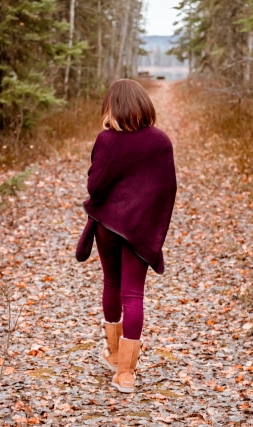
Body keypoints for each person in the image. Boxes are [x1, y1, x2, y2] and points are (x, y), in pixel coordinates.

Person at [76, 79, 177, 393]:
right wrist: (152, 224)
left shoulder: (108, 140)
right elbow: (167, 189)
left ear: (112, 107)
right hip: (140, 230)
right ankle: (125, 373)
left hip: (109, 225)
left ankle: (115, 354)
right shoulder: (161, 142)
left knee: (112, 284)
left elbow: (95, 185)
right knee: (134, 294)